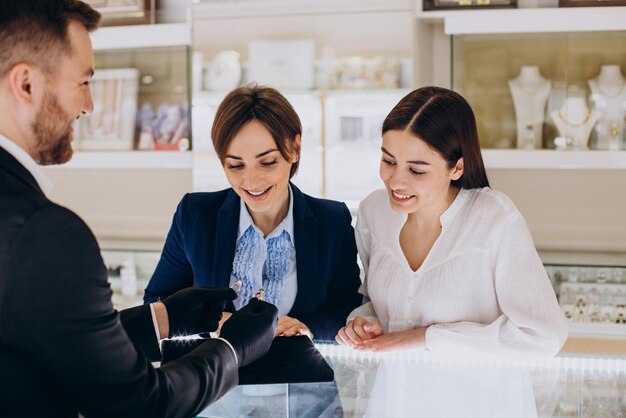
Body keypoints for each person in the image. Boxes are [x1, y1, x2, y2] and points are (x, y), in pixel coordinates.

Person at [0, 2, 277, 417]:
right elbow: (140, 404)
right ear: (26, 85)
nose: (89, 106)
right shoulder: (44, 232)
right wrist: (232, 349)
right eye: (83, 82)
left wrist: (163, 318)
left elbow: (51, 342)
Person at [336, 86, 568, 357]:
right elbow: (377, 303)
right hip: (395, 392)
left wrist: (427, 337)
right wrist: (363, 324)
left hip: (477, 397)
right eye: (388, 161)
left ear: (457, 167)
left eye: (416, 169)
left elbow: (543, 336)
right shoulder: (373, 212)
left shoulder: (494, 217)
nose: (396, 180)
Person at [144, 85, 362, 341]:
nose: (251, 181)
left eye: (267, 162)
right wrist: (210, 319)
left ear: (294, 148)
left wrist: (306, 328)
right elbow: (157, 301)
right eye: (235, 165)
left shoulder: (332, 220)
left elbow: (346, 310)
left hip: (301, 376)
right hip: (213, 378)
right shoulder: (195, 214)